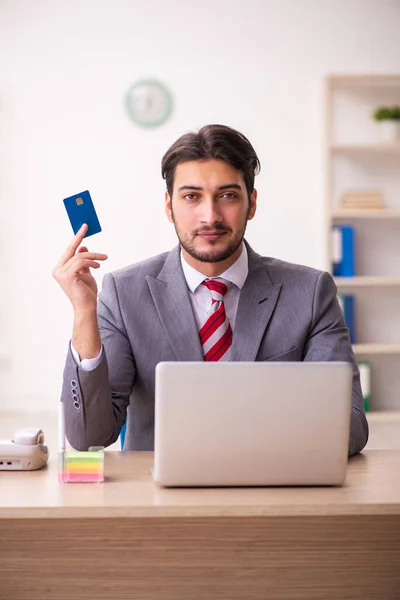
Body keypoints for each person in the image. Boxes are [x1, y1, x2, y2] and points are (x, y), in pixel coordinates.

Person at [53, 124, 368, 456]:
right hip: (158, 498)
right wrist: (84, 314)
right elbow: (88, 436)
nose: (210, 216)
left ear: (252, 203)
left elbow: (349, 428)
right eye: (192, 196)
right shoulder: (123, 294)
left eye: (228, 195)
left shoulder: (310, 292)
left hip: (273, 487)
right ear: (168, 205)